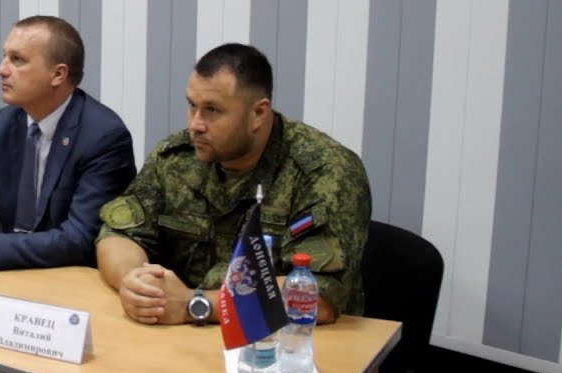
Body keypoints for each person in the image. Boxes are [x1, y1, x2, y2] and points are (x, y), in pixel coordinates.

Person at [96, 43, 371, 327]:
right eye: (192, 106)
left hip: (287, 341)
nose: (196, 124)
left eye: (212, 110)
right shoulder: (177, 157)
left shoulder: (325, 172)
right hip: (183, 335)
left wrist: (195, 305)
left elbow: (317, 295)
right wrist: (137, 284)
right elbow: (118, 233)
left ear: (258, 113)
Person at [0, 16, 137, 270]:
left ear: (58, 74)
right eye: (5, 56)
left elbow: (80, 238)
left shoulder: (103, 136)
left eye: (17, 60)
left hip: (69, 276)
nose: (1, 69)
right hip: (10, 270)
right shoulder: (5, 122)